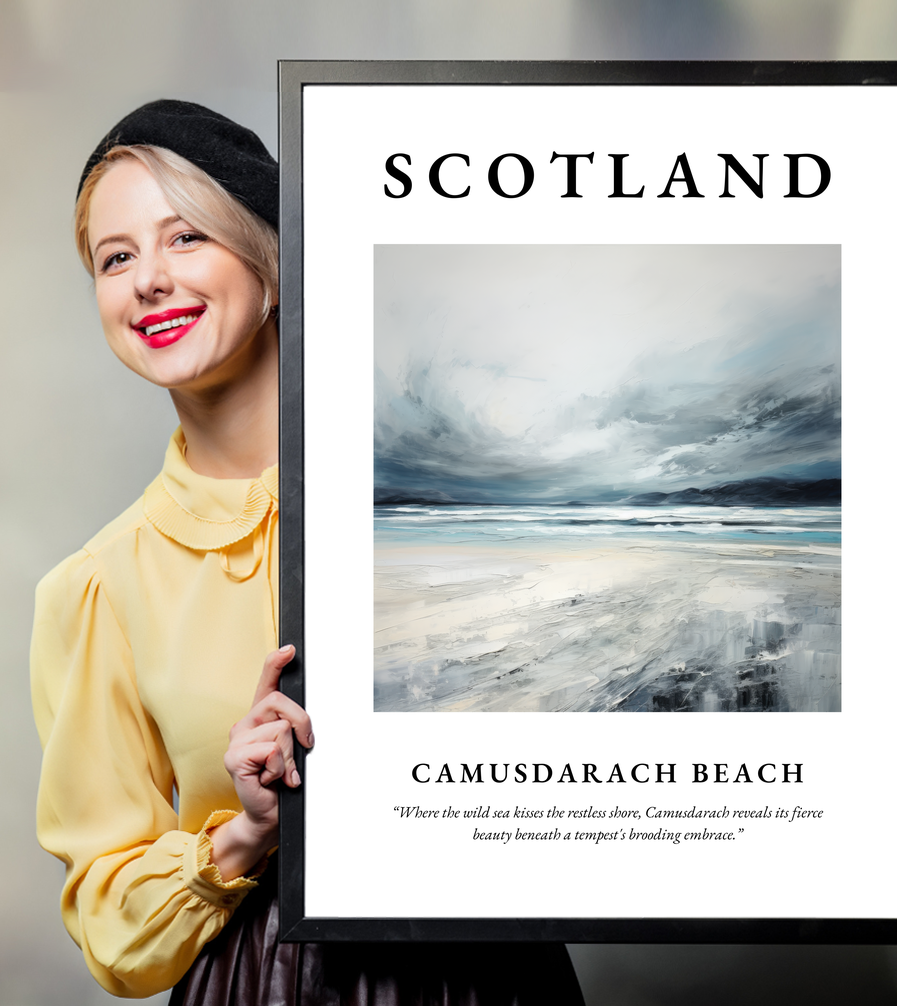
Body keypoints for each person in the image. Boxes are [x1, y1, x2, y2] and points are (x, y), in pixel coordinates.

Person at [30, 100, 585, 1004]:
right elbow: (110, 924)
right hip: (263, 982)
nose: (148, 281)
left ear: (274, 264)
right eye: (116, 257)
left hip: (492, 973)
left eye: (186, 239)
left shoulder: (445, 501)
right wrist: (245, 832)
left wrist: (891, 711)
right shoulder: (98, 587)